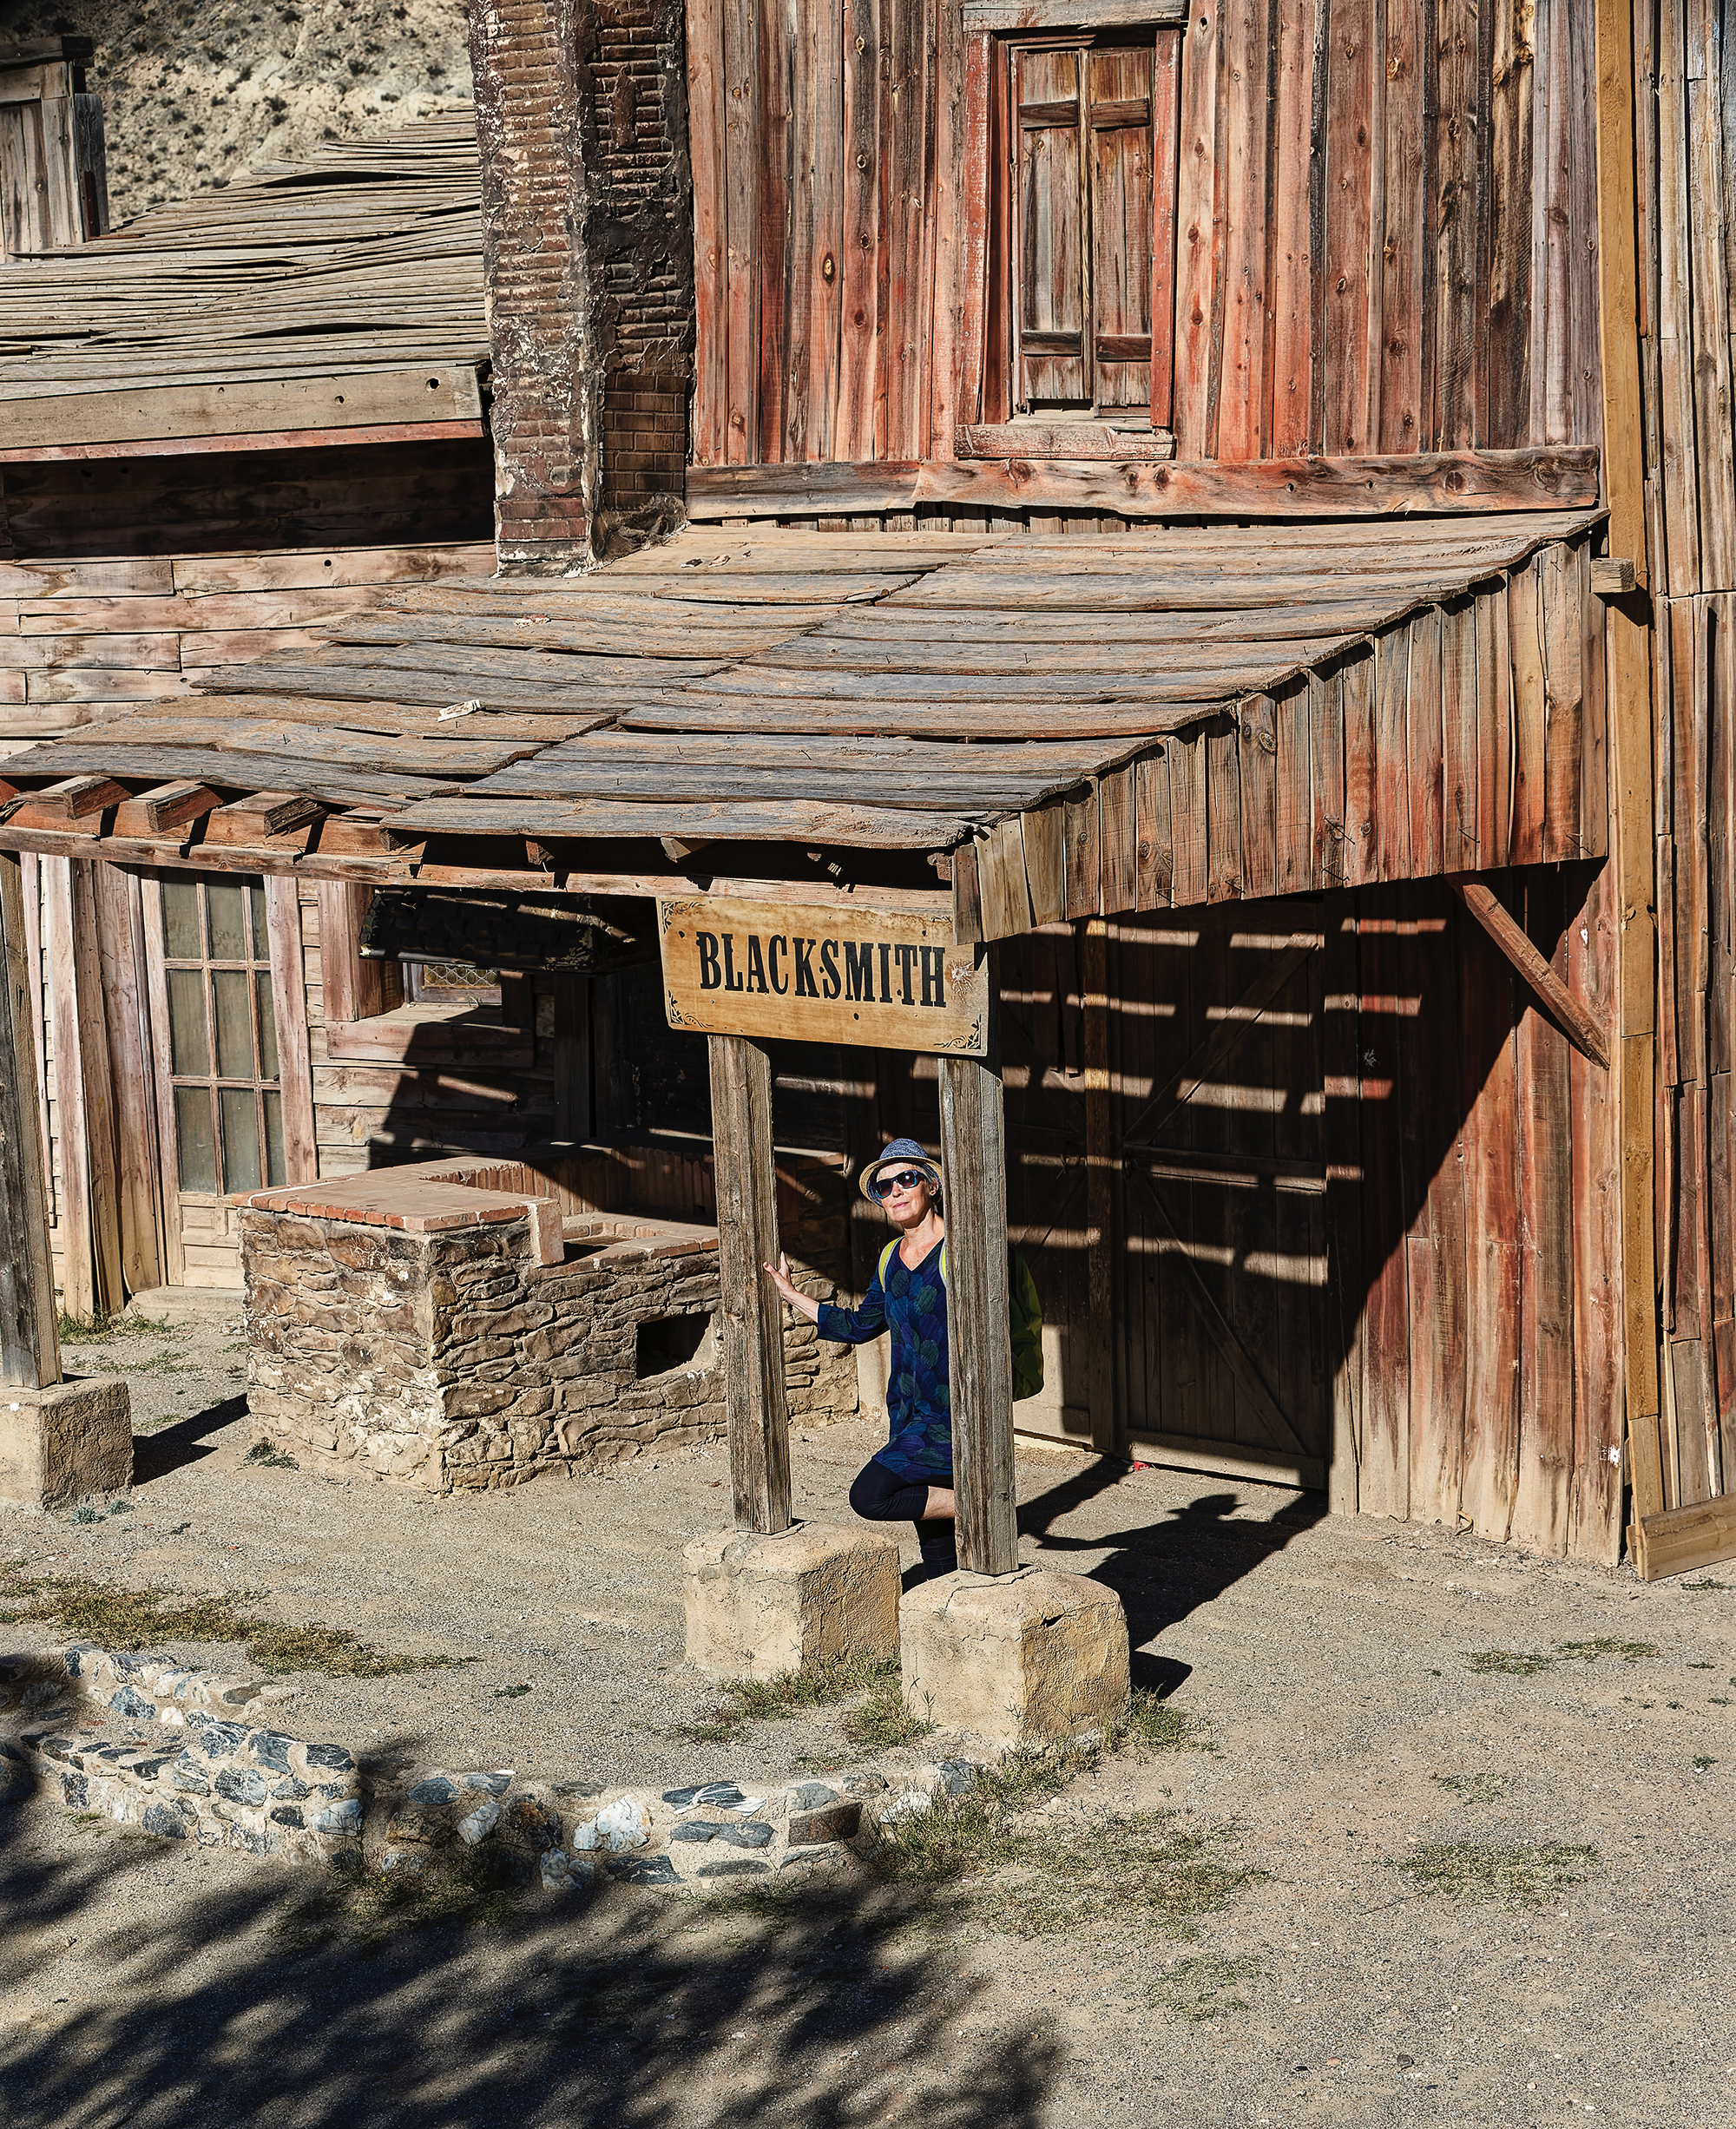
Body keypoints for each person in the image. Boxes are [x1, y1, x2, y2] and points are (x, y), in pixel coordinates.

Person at [764, 1137, 962, 1580]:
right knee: (933, 1532)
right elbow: (861, 1325)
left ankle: (982, 1499)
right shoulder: (891, 1258)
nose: (895, 1191)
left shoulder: (962, 1250)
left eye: (905, 1179)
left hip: (952, 1410)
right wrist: (794, 1296)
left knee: (870, 1496)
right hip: (908, 1410)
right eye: (883, 1186)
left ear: (930, 1185)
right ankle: (945, 1605)